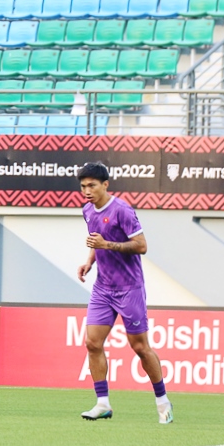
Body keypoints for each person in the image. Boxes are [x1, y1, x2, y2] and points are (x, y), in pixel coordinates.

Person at [76, 162, 173, 424]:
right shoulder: (87, 210)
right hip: (102, 288)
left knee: (140, 347)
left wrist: (106, 245)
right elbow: (96, 240)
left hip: (129, 288)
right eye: (83, 186)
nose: (87, 191)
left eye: (92, 185)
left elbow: (141, 246)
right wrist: (90, 261)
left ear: (105, 185)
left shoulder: (122, 210)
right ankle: (102, 404)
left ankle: (163, 402)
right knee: (92, 343)